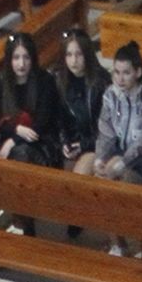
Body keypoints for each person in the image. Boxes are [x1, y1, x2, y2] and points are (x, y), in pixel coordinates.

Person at [93, 42, 142, 204]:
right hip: (119, 151)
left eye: (126, 73)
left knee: (116, 181)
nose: (120, 79)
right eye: (117, 72)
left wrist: (123, 161)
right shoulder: (110, 95)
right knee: (90, 171)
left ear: (138, 72)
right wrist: (100, 157)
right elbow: (106, 131)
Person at [0, 32, 59, 165]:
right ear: (9, 59)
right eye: (16, 58)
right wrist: (17, 130)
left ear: (32, 58)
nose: (21, 64)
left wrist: (13, 140)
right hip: (9, 134)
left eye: (26, 57)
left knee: (22, 154)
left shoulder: (45, 80)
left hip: (39, 138)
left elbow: (43, 122)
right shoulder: (0, 82)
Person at [54, 26, 106, 175]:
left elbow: (106, 129)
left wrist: (83, 145)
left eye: (79, 54)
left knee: (79, 175)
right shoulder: (58, 80)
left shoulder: (101, 82)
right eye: (69, 55)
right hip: (71, 145)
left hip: (95, 145)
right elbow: (58, 120)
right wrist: (64, 143)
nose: (73, 61)